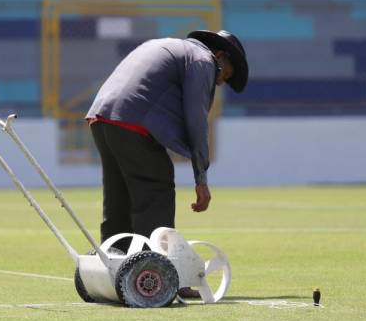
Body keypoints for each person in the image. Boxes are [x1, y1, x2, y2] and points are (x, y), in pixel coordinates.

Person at [85, 29, 249, 250]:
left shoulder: (164, 44)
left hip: (101, 117)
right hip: (133, 122)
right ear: (219, 56)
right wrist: (201, 178)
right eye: (225, 75)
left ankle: (114, 262)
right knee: (156, 188)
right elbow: (196, 120)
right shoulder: (203, 60)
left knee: (118, 196)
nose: (220, 83)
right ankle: (155, 274)